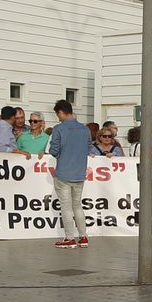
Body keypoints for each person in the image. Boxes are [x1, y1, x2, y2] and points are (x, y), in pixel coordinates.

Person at [48, 100, 91, 248]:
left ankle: (69, 238)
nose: (58, 118)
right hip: (79, 172)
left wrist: (61, 154)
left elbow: (53, 151)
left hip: (64, 172)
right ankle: (83, 236)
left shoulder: (59, 129)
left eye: (57, 114)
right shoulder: (85, 130)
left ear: (61, 112)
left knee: (66, 207)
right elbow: (87, 149)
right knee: (77, 205)